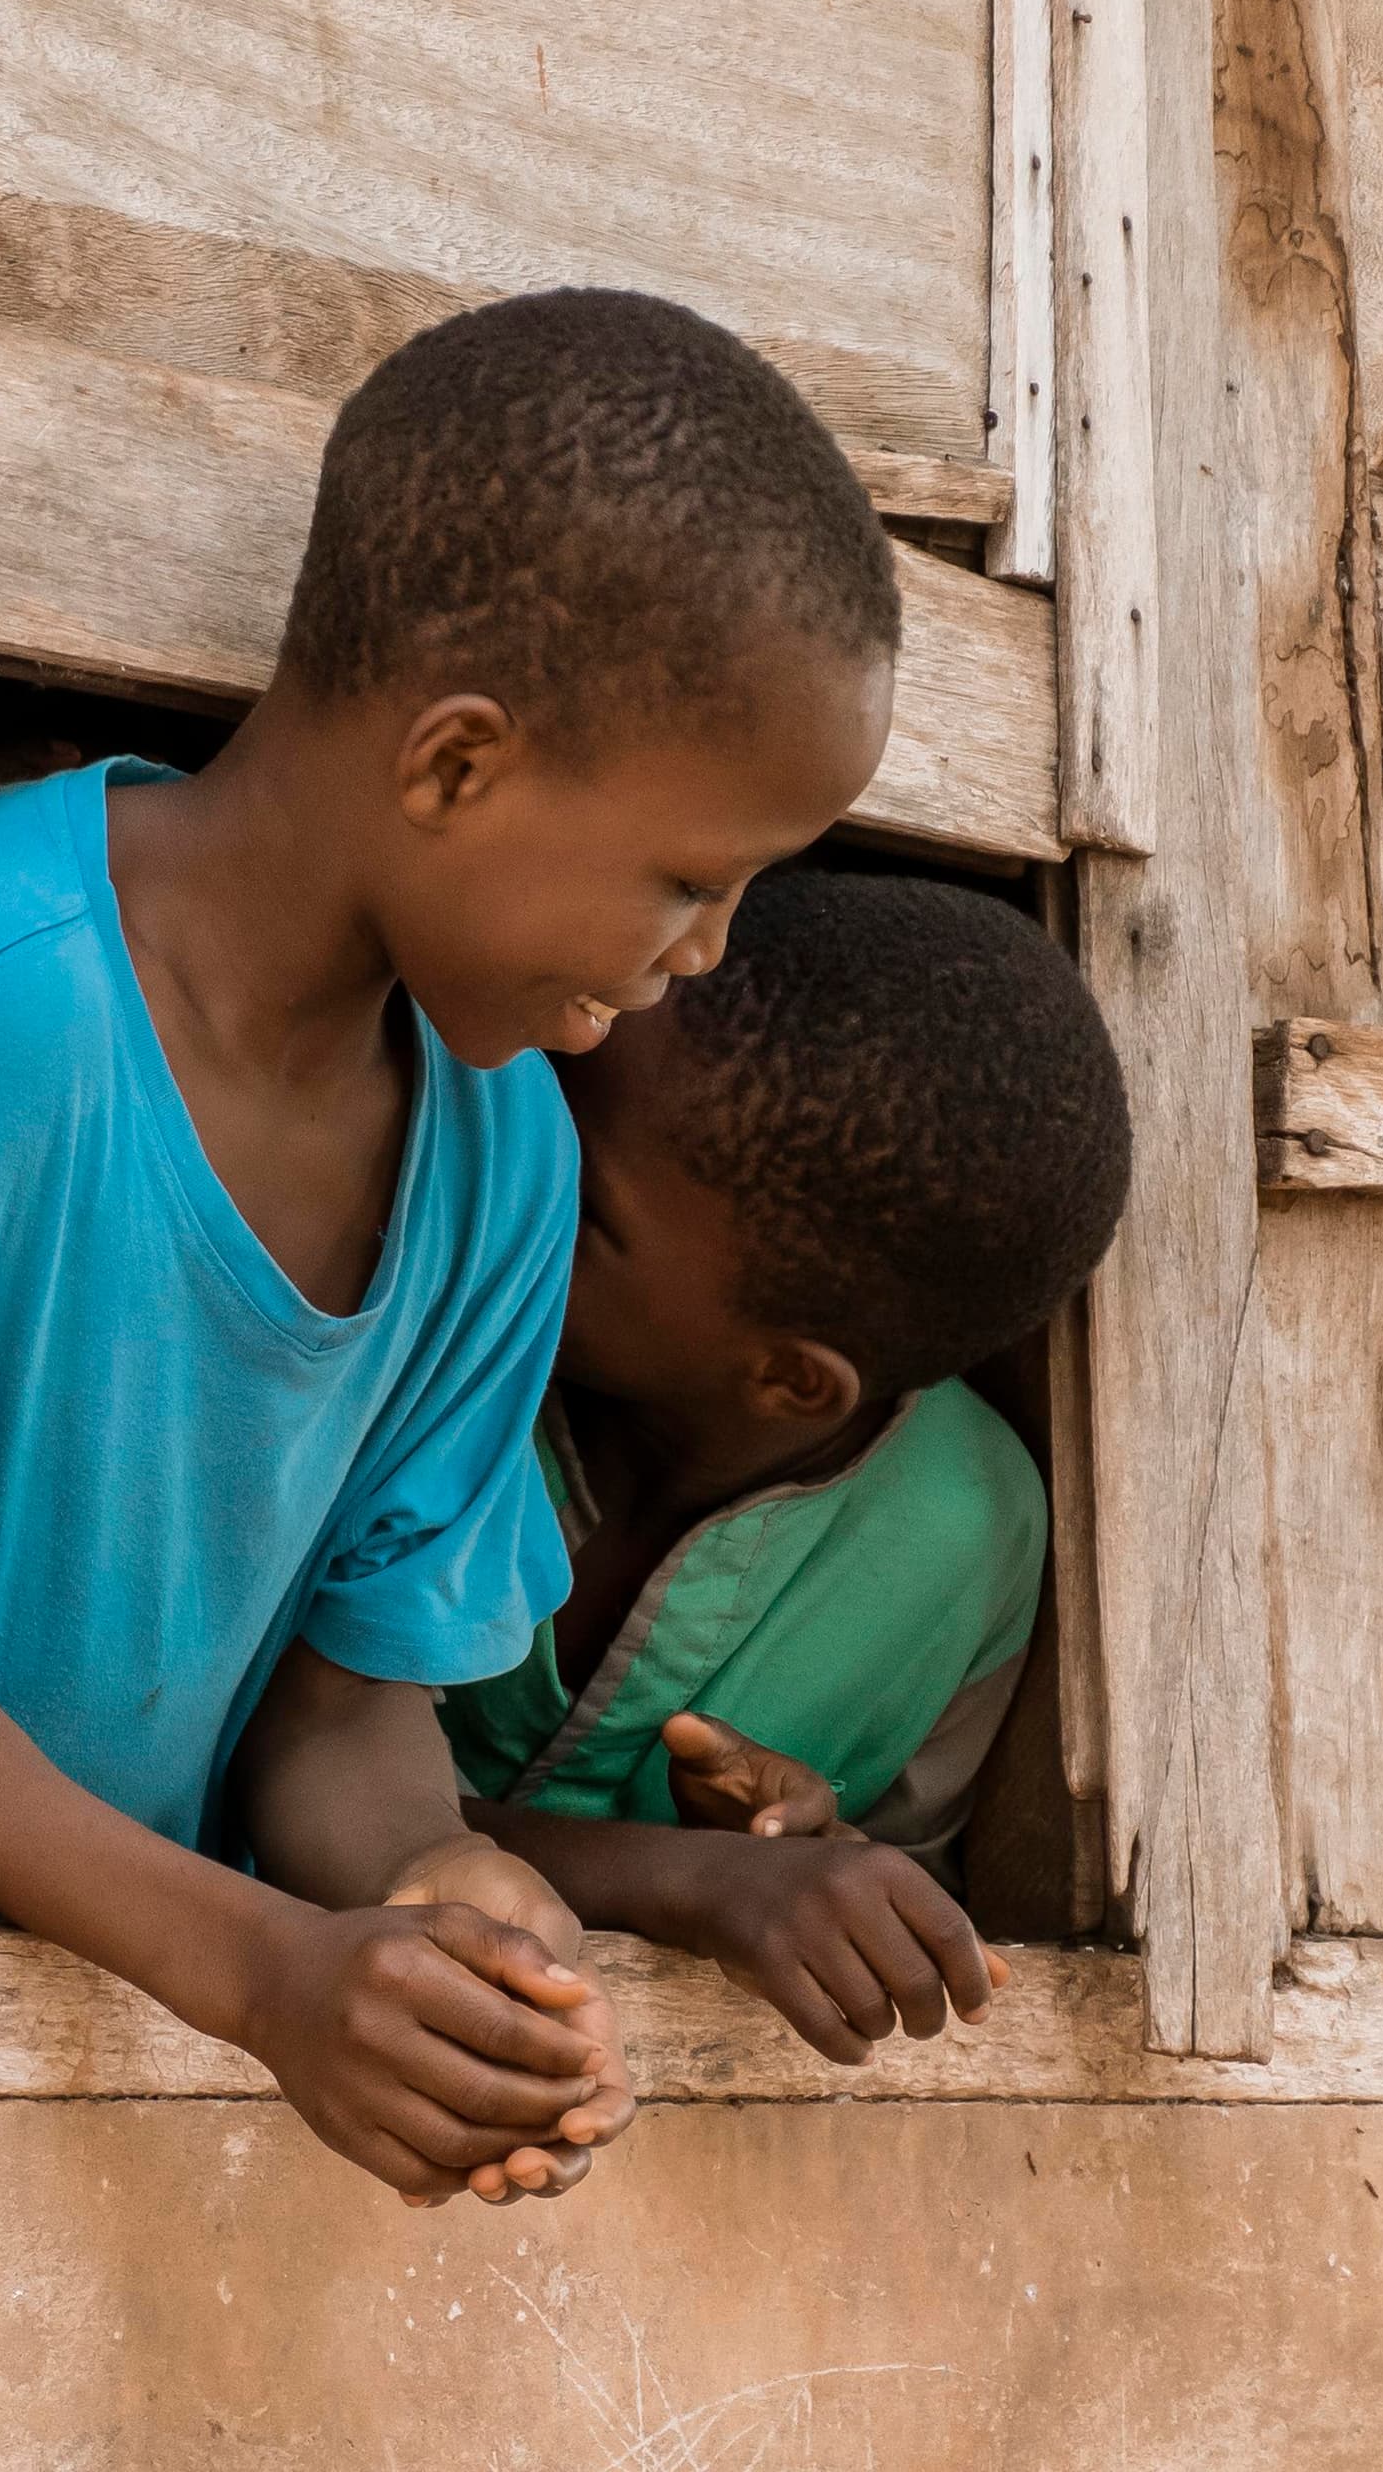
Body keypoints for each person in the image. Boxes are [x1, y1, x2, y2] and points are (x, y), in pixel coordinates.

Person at [0, 291, 898, 2207]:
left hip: (85, 2127)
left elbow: (347, 1719)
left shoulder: (501, 1149)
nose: (711, 957)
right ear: (452, 768)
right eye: (691, 877)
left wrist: (443, 1907)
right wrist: (268, 1973)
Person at [439, 868, 1133, 2067]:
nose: (510, 1175)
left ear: (793, 1382)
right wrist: (689, 1881)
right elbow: (279, 1780)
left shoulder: (968, 1536)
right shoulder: (434, 1331)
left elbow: (921, 1911)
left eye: (584, 1205)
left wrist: (818, 1858)